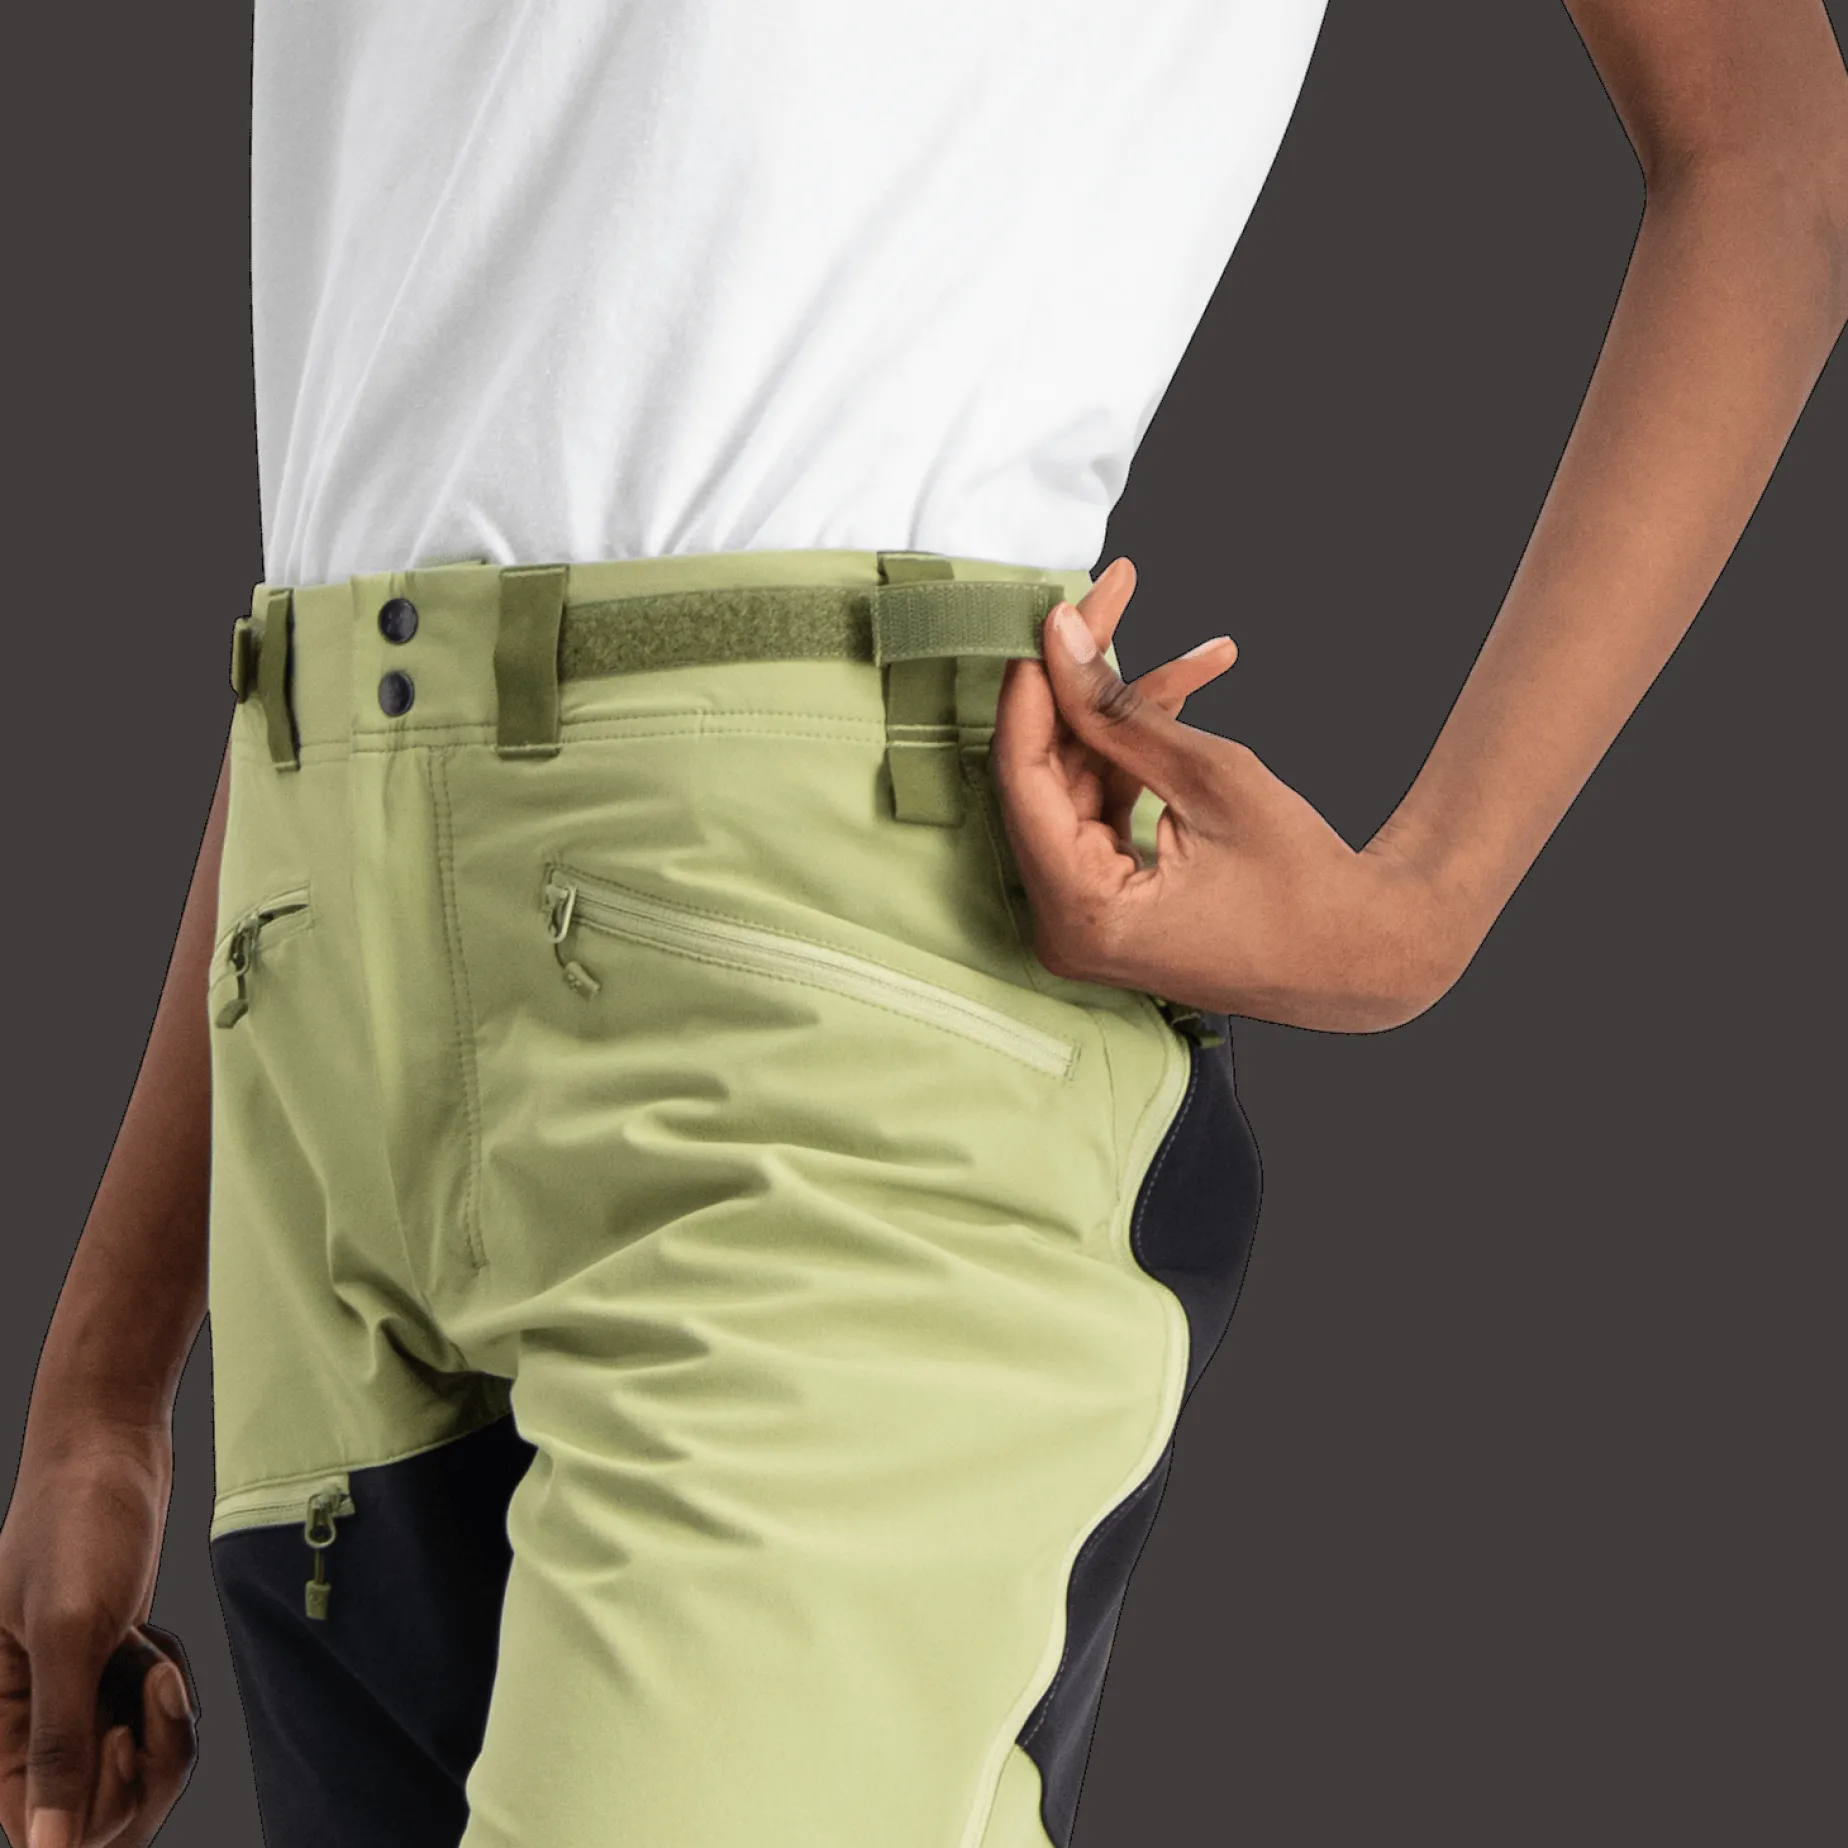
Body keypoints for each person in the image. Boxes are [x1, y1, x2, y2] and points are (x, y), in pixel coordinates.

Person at [2, 3, 1844, 1846]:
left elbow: (1769, 148)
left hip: (827, 1018)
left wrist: (1422, 908)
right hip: (320, 1070)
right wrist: (106, 1373)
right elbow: (402, 479)